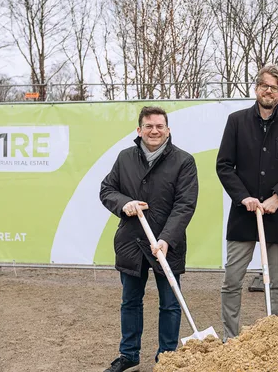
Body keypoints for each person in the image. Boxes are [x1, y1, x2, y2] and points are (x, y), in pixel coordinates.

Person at [99, 106, 198, 372]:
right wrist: (125, 203)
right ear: (139, 130)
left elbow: (185, 204)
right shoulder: (124, 158)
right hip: (131, 242)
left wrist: (166, 239)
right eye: (149, 126)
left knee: (170, 303)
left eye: (159, 126)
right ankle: (129, 355)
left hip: (167, 245)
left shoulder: (183, 161)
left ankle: (166, 358)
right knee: (130, 301)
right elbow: (107, 189)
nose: (154, 131)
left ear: (168, 130)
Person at [216, 64, 278, 341]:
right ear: (257, 89)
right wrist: (243, 196)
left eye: (274, 87)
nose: (268, 90)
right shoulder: (236, 121)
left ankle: (276, 338)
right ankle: (230, 339)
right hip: (243, 214)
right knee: (232, 281)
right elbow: (224, 165)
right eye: (263, 85)